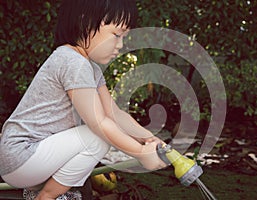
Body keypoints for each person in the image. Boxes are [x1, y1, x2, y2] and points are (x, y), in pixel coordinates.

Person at [0, 0, 166, 199]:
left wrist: (149, 139)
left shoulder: (90, 67)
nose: (121, 45)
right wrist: (139, 153)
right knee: (97, 135)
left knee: (98, 133)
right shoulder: (72, 62)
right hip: (22, 155)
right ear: (85, 23)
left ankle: (44, 191)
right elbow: (100, 122)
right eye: (117, 35)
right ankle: (46, 197)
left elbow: (114, 114)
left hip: (33, 157)